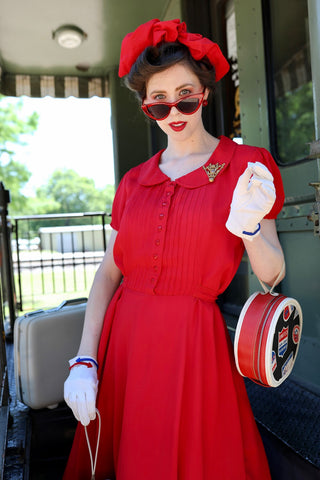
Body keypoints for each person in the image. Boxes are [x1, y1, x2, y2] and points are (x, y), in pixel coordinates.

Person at [63, 18, 285, 480]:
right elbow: (108, 273)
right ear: (145, 105)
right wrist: (85, 358)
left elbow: (273, 274)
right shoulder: (133, 182)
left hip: (193, 344)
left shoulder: (246, 166)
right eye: (158, 104)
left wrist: (247, 227)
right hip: (126, 344)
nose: (174, 112)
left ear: (204, 92)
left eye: (185, 95)